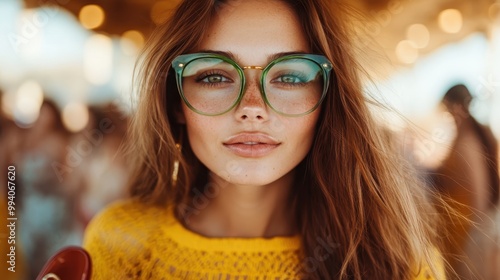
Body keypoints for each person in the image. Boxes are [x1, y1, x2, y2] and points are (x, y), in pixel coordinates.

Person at [83, 0, 445, 279]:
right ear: (175, 102)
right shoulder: (119, 244)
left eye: (289, 77)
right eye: (214, 77)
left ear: (327, 102)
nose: (252, 108)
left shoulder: (398, 262)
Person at [432, 84, 499, 279]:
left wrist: (471, 241)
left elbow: (479, 197)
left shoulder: (466, 142)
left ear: (457, 107)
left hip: (473, 234)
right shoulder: (477, 134)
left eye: (447, 109)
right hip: (480, 229)